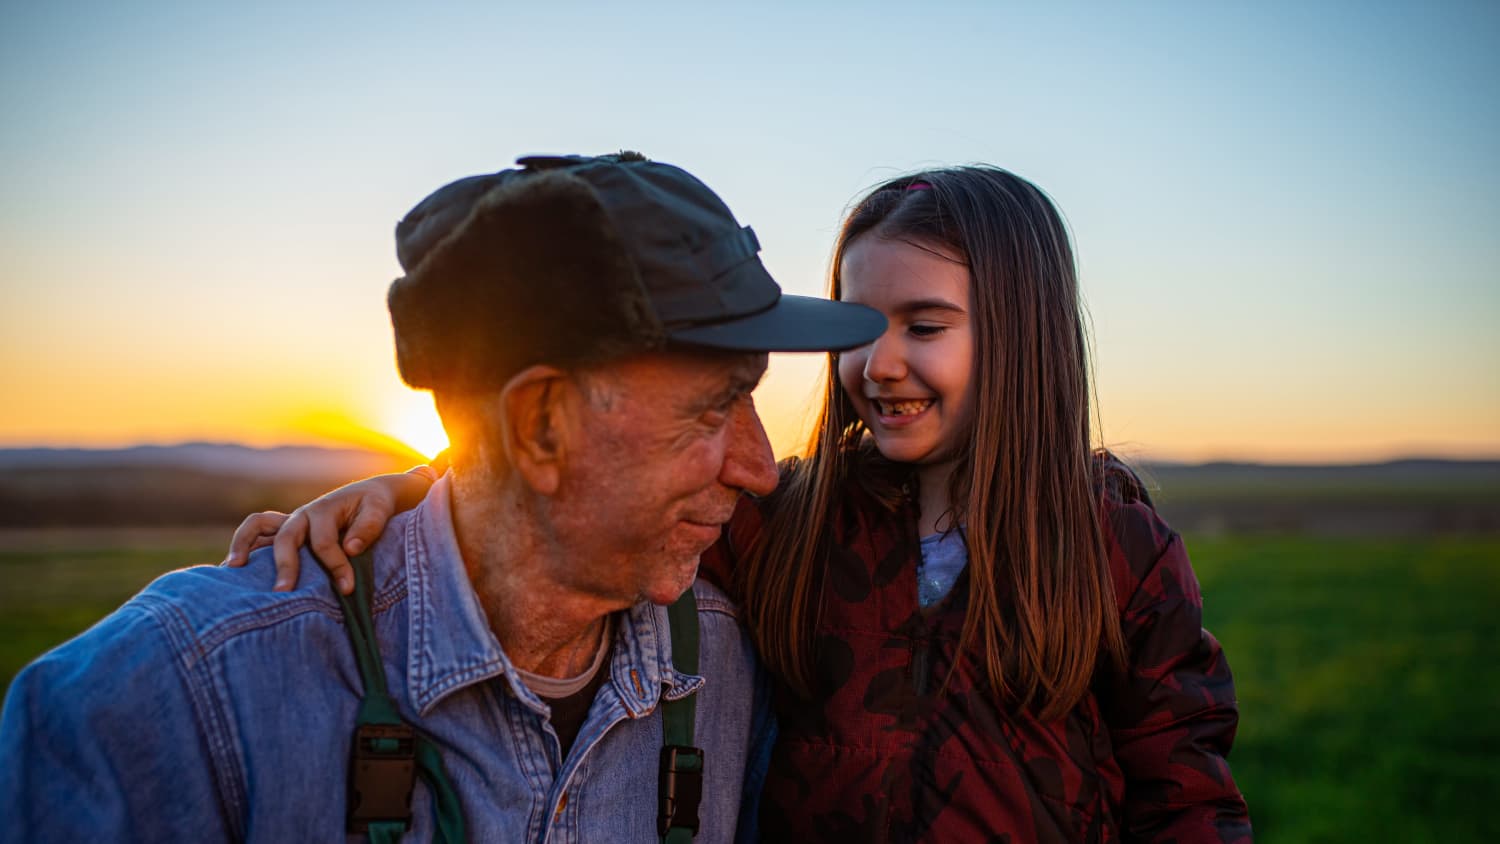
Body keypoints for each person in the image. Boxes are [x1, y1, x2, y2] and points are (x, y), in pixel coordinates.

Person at [228, 166, 1253, 841]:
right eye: (858, 324)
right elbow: (579, 504)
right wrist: (407, 491)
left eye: (924, 326)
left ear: (1022, 334)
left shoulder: (1115, 545)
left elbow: (1184, 784)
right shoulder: (791, 522)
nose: (877, 362)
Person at [0, 152, 886, 842]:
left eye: (755, 400)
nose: (761, 467)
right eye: (715, 409)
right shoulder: (178, 696)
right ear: (539, 426)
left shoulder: (727, 668)